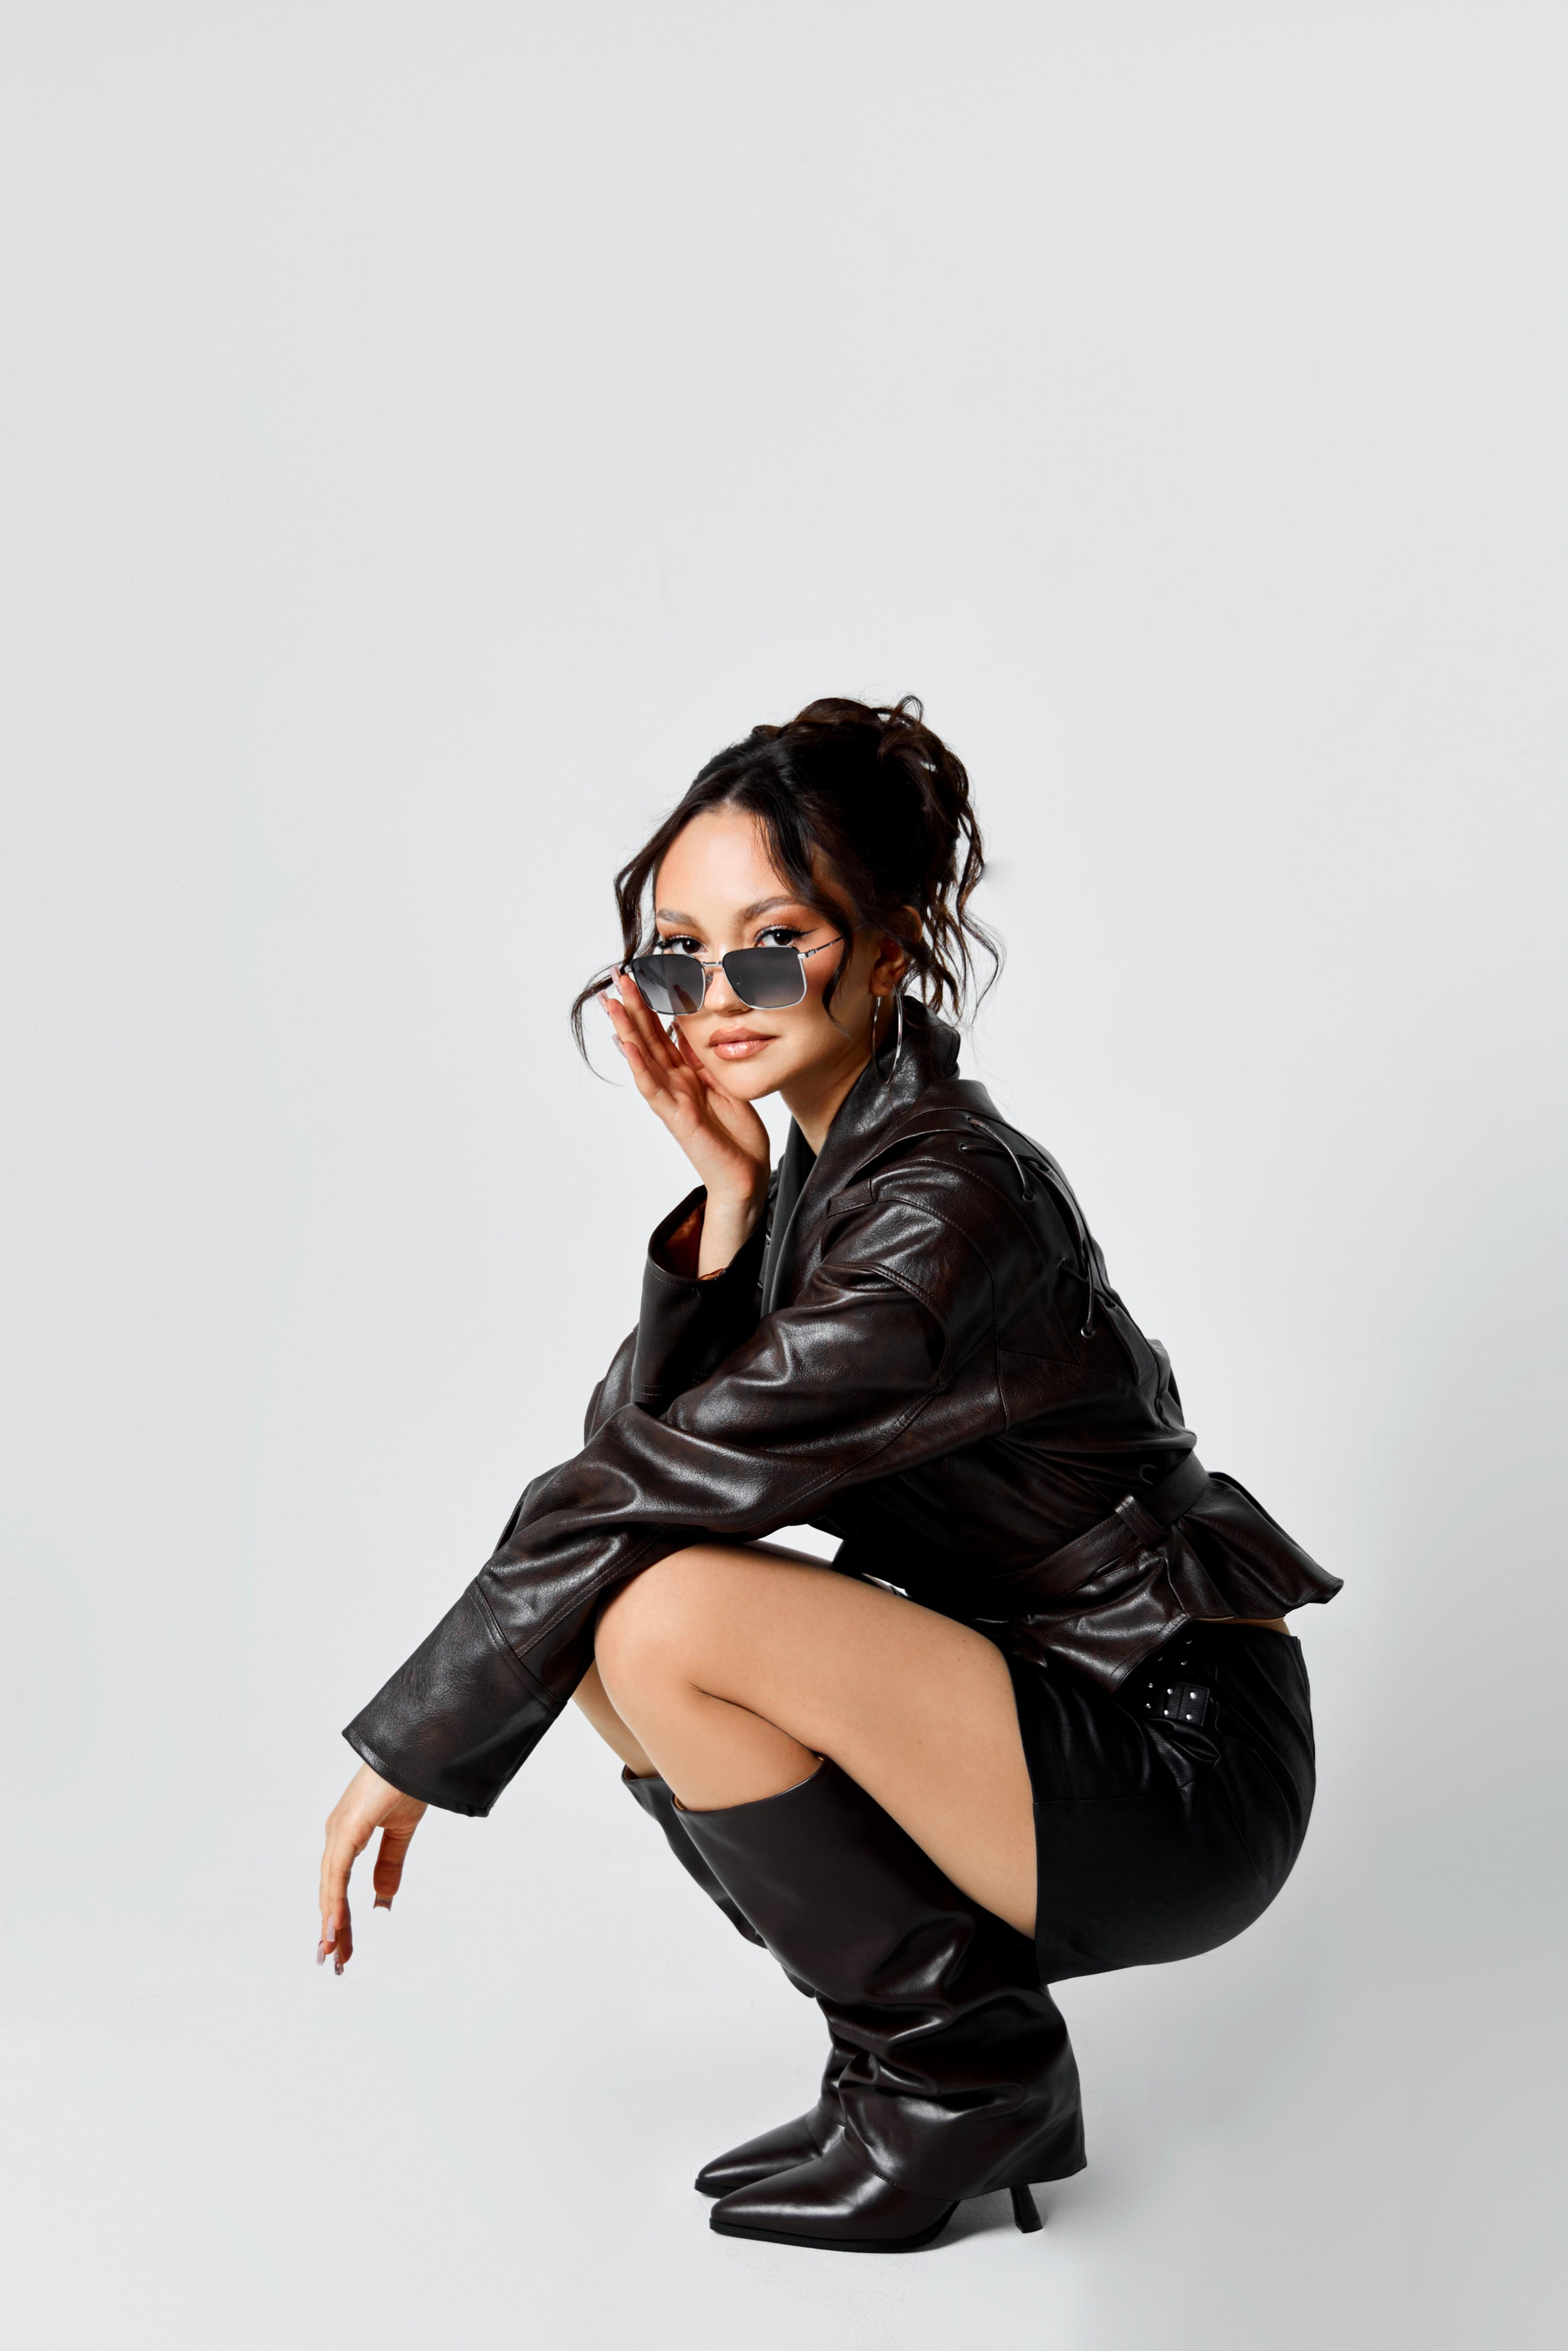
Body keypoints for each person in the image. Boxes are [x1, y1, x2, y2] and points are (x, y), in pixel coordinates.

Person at [317, 696, 1339, 2254]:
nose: (719, 998)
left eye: (775, 944)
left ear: (888, 949)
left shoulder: (943, 1210)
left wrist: (411, 1746)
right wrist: (726, 1205)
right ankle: (921, 2063)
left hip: (1170, 1747)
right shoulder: (820, 1181)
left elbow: (652, 1488)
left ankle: (959, 2084)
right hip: (1033, 1699)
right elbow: (631, 1464)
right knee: (604, 1620)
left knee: (661, 1615)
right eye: (679, 955)